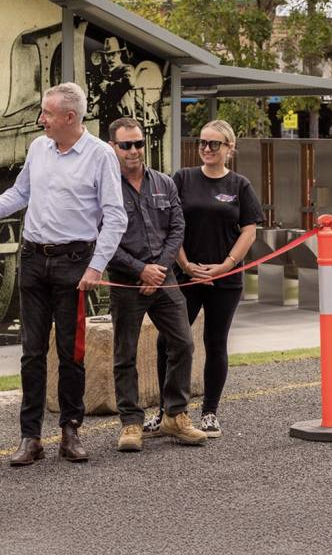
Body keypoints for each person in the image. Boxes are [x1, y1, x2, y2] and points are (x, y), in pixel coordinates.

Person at [0, 82, 127, 466]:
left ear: (69, 118)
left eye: (47, 113)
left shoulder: (99, 155)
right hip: (32, 260)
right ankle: (30, 437)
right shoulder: (38, 148)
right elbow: (20, 193)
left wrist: (96, 267)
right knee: (31, 353)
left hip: (74, 263)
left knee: (70, 354)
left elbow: (115, 216)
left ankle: (70, 431)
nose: (41, 119)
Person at [145, 119, 261, 438]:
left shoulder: (240, 186)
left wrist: (225, 265)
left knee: (215, 342)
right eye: (202, 143)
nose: (207, 149)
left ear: (229, 149)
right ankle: (166, 411)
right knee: (168, 341)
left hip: (225, 280)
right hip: (186, 275)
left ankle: (209, 412)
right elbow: (171, 223)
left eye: (214, 144)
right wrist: (185, 263)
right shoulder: (182, 179)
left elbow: (249, 230)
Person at [105, 117, 206, 452]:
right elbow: (100, 239)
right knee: (125, 353)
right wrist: (139, 271)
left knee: (183, 343)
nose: (134, 150)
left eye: (138, 143)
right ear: (112, 147)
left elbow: (177, 228)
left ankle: (174, 415)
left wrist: (159, 270)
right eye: (126, 145)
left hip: (165, 280)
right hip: (126, 284)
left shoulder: (164, 182)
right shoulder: (103, 188)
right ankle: (131, 423)